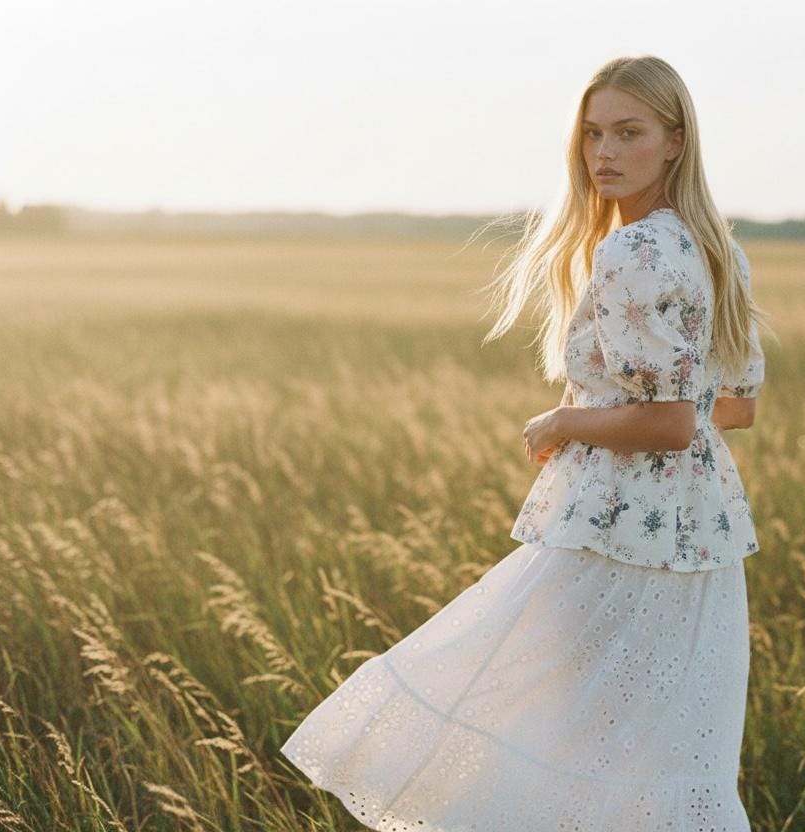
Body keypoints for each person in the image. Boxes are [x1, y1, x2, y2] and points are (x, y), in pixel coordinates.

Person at [279, 54, 773, 830]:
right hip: (701, 544)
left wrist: (563, 421)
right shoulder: (717, 251)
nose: (604, 153)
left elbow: (671, 424)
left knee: (544, 737)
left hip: (613, 539)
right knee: (651, 763)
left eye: (629, 133)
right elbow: (730, 411)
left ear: (675, 142)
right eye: (593, 134)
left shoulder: (634, 251)